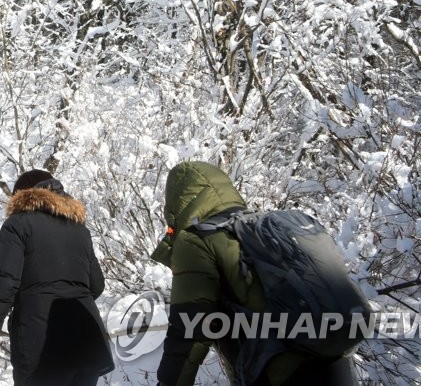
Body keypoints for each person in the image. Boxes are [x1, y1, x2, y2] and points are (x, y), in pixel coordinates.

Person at [150, 160, 358, 386]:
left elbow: (189, 330)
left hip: (280, 374)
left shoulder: (196, 240)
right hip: (337, 365)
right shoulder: (268, 229)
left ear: (177, 204)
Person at [0, 169, 114, 386]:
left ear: (21, 195)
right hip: (87, 337)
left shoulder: (18, 225)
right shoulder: (78, 229)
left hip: (40, 341)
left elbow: (5, 282)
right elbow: (97, 285)